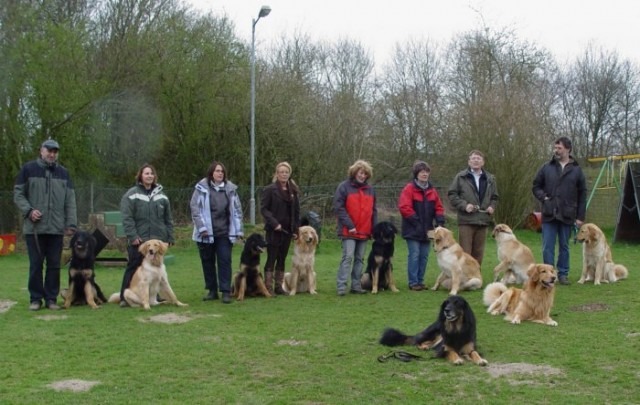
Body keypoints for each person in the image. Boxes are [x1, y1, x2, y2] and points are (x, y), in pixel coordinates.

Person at [14, 139, 77, 311]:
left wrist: (71, 223)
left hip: (56, 228)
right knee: (36, 264)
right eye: (49, 150)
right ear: (41, 151)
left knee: (54, 265)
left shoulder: (64, 173)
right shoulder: (28, 169)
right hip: (34, 228)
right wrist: (29, 211)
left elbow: (70, 200)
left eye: (55, 151)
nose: (52, 154)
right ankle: (35, 299)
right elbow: (18, 194)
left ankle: (51, 299)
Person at [532, 137, 586, 285]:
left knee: (564, 246)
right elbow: (536, 186)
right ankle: (549, 275)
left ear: (568, 149)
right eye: (555, 148)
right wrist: (544, 197)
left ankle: (563, 274)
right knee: (547, 246)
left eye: (559, 148)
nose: (556, 150)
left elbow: (582, 194)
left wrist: (580, 216)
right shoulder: (546, 167)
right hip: (549, 213)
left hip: (568, 213)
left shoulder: (576, 170)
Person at [118, 164, 174, 306]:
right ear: (140, 176)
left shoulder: (162, 196)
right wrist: (133, 236)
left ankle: (154, 297)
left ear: (154, 177)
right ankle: (125, 298)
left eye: (151, 174)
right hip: (139, 240)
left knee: (157, 270)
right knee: (133, 268)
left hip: (156, 242)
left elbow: (168, 219)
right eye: (146, 173)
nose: (149, 176)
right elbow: (127, 217)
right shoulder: (132, 194)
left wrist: (169, 237)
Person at [190, 161, 244, 304]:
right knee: (207, 262)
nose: (220, 173)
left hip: (225, 233)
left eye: (222, 171)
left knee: (225, 260)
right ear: (211, 173)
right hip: (206, 234)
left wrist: (239, 230)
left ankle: (226, 291)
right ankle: (212, 291)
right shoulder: (201, 188)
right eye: (217, 171)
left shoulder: (231, 190)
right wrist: (202, 228)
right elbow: (195, 209)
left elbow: (237, 211)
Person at [398, 161, 445, 291]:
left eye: (426, 171)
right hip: (412, 228)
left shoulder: (432, 190)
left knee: (424, 255)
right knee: (414, 254)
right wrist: (416, 221)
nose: (424, 174)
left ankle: (420, 281)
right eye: (422, 172)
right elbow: (404, 207)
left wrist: (440, 221)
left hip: (428, 230)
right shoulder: (409, 188)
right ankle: (413, 282)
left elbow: (439, 207)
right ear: (416, 174)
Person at [447, 150, 499, 266]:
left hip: (483, 220)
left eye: (478, 158)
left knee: (478, 253)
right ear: (469, 161)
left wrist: (492, 206)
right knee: (465, 253)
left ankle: (475, 279)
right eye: (473, 158)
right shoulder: (461, 177)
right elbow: (452, 194)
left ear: (483, 162)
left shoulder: (490, 178)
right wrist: (464, 206)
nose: (476, 160)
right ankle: (464, 279)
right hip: (466, 220)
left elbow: (495, 197)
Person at [333, 159, 377, 296]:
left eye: (364, 174)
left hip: (364, 230)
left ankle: (356, 286)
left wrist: (374, 229)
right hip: (348, 231)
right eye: (360, 173)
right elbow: (338, 208)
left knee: (359, 258)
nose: (362, 176)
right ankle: (341, 287)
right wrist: (350, 225)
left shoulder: (371, 190)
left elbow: (373, 211)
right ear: (354, 172)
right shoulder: (343, 187)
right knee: (348, 257)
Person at [260, 162, 300, 296]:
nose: (284, 174)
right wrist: (274, 223)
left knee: (282, 258)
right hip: (274, 230)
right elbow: (264, 209)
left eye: (286, 172)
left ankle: (279, 286)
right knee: (272, 257)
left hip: (288, 231)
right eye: (281, 172)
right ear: (277, 174)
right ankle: (268, 287)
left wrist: (295, 230)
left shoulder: (293, 190)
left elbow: (296, 211)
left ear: (289, 174)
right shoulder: (270, 190)